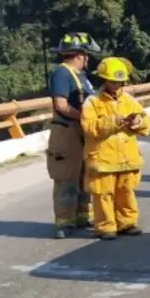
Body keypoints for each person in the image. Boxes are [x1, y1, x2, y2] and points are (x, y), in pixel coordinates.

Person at [79, 57, 150, 240]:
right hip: (103, 158)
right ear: (105, 80)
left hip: (127, 158)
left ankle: (127, 223)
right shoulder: (92, 102)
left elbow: (146, 122)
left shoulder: (129, 100)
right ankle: (106, 227)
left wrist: (138, 122)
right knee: (104, 194)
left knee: (126, 192)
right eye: (114, 82)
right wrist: (114, 121)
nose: (117, 85)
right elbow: (89, 127)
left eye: (120, 82)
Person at [45, 32, 100, 239]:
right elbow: (61, 105)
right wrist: (85, 117)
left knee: (85, 174)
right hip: (66, 131)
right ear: (79, 54)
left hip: (81, 131)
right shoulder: (62, 73)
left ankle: (82, 216)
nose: (88, 59)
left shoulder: (82, 77)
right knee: (66, 176)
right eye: (87, 55)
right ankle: (64, 221)